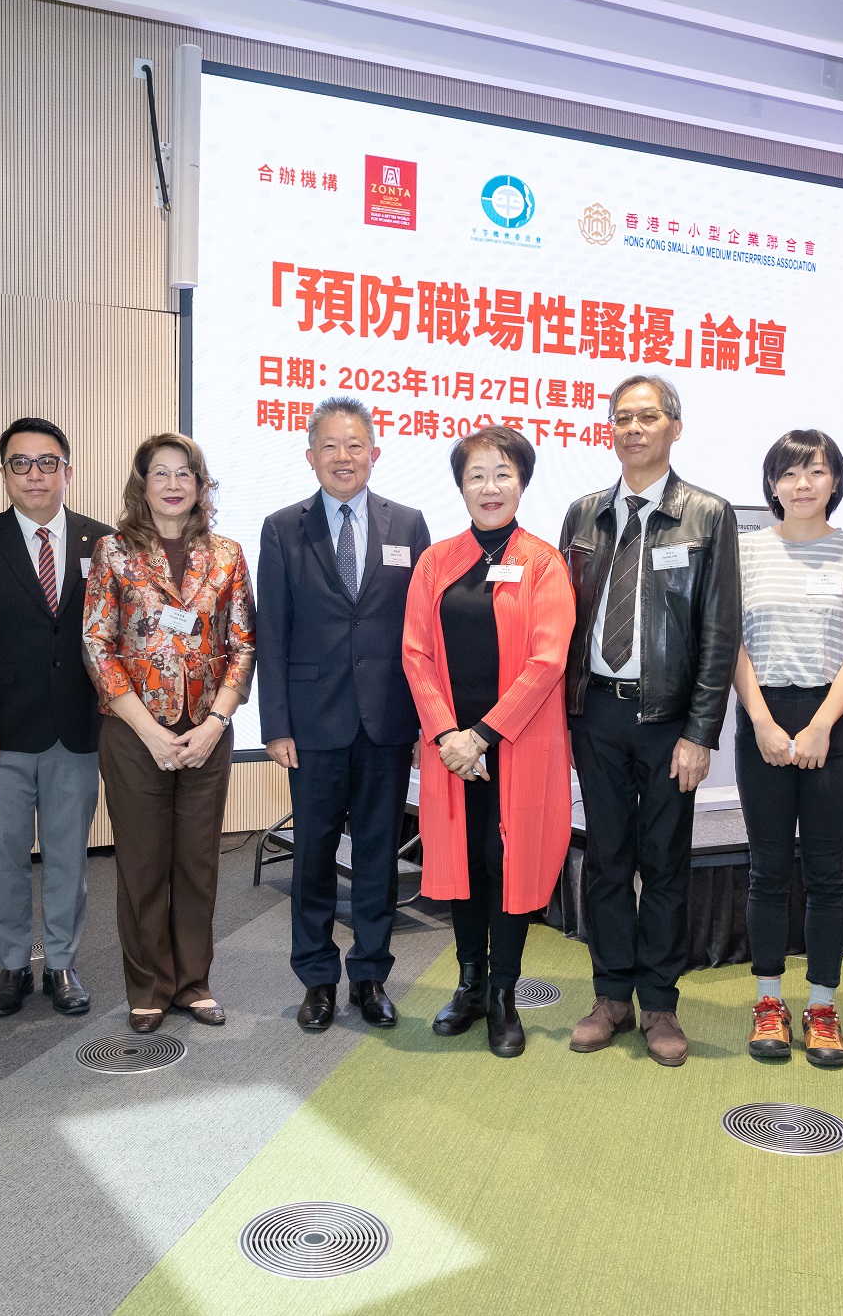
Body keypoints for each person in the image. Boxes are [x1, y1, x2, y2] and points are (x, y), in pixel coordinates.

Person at [558, 375, 738, 1068]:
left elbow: (720, 635)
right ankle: (611, 997)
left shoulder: (708, 515)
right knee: (605, 860)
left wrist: (700, 732)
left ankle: (659, 1003)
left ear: (675, 427)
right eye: (622, 417)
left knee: (663, 864)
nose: (634, 428)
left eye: (648, 417)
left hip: (668, 719)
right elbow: (563, 623)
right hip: (597, 710)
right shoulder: (582, 514)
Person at [258, 397, 432, 1032]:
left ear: (374, 454)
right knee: (313, 854)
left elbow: (421, 633)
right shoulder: (282, 528)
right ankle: (317, 978)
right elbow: (270, 632)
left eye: (354, 445)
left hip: (386, 721)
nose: (343, 457)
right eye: (329, 446)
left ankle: (370, 975)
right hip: (312, 723)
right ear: (310, 457)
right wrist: (275, 724)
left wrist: (422, 723)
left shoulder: (408, 525)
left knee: (380, 855)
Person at [404, 425, 576, 1059]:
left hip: (515, 745)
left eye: (503, 473)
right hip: (452, 748)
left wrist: (481, 735)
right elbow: (416, 652)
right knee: (466, 867)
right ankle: (470, 983)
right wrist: (449, 734)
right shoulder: (436, 561)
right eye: (477, 475)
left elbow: (548, 660)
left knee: (510, 866)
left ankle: (504, 993)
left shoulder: (543, 561)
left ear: (522, 482)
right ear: (461, 486)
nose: (490, 486)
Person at [82, 433, 255, 1033]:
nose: (175, 484)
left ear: (201, 485)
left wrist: (215, 722)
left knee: (198, 862)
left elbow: (243, 646)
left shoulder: (227, 554)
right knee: (143, 862)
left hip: (206, 732)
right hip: (135, 732)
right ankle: (150, 986)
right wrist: (150, 730)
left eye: (186, 474)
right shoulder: (114, 552)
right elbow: (97, 643)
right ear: (143, 484)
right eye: (162, 474)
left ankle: (193, 981)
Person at [0, 418, 115, 1019]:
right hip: (2, 735)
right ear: (4, 475)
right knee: (7, 856)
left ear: (67, 470)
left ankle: (63, 962)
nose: (35, 474)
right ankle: (13, 965)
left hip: (79, 729)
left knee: (70, 856)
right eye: (21, 463)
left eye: (48, 462)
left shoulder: (104, 543)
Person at [732, 430, 843, 1068]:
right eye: (789, 473)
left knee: (826, 872)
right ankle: (769, 1001)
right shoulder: (742, 552)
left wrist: (823, 724)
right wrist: (764, 722)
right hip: (763, 713)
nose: (802, 484)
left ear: (834, 482)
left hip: (836, 722)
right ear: (771, 484)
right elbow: (730, 642)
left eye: (815, 472)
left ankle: (822, 1005)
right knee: (767, 869)